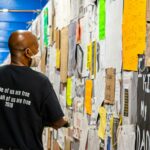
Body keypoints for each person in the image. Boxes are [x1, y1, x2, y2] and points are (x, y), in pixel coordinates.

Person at [0, 30, 69, 150]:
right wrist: (65, 122)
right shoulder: (40, 82)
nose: (38, 53)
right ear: (28, 52)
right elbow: (57, 122)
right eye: (36, 48)